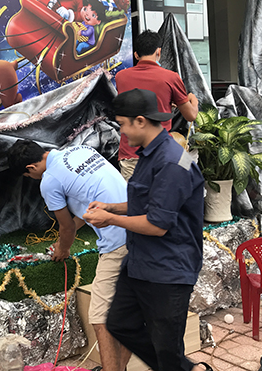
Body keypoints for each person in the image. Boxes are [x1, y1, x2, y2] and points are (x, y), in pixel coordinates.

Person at [83, 88, 209, 371]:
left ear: (140, 121)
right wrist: (113, 207)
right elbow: (150, 200)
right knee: (119, 323)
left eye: (124, 124)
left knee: (166, 348)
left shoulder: (173, 161)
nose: (122, 132)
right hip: (140, 263)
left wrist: (109, 220)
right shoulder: (152, 154)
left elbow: (157, 224)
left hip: (168, 269)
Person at [7, 141, 132, 371]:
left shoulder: (49, 181)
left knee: (99, 316)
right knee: (129, 311)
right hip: (137, 223)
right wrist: (67, 237)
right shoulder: (81, 149)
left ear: (31, 168)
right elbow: (87, 204)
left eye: (28, 176)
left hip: (118, 240)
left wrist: (63, 250)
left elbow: (66, 227)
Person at [114, 30, 199, 181]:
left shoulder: (121, 77)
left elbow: (138, 103)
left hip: (130, 154)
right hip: (159, 154)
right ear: (158, 52)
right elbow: (191, 115)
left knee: (134, 202)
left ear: (136, 55)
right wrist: (193, 100)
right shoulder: (171, 77)